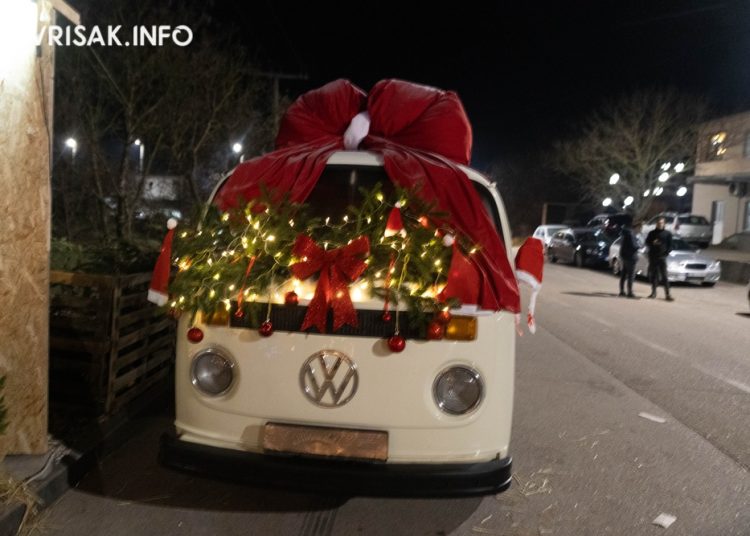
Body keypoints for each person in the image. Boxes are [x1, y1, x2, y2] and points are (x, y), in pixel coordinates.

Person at [645, 217, 674, 301]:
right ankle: (653, 293)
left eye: (661, 223)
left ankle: (667, 294)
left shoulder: (667, 234)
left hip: (662, 257)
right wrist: (652, 243)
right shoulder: (652, 233)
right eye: (658, 223)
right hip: (653, 257)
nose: (659, 224)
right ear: (656, 224)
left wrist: (666, 253)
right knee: (654, 276)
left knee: (664, 276)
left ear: (664, 224)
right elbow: (647, 242)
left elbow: (670, 246)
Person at [618, 220, 641, 298]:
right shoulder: (631, 234)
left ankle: (622, 291)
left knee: (623, 274)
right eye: (640, 228)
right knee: (631, 275)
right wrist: (639, 246)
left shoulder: (625, 233)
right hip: (631, 257)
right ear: (637, 227)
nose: (640, 230)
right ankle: (630, 292)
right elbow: (634, 246)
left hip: (624, 256)